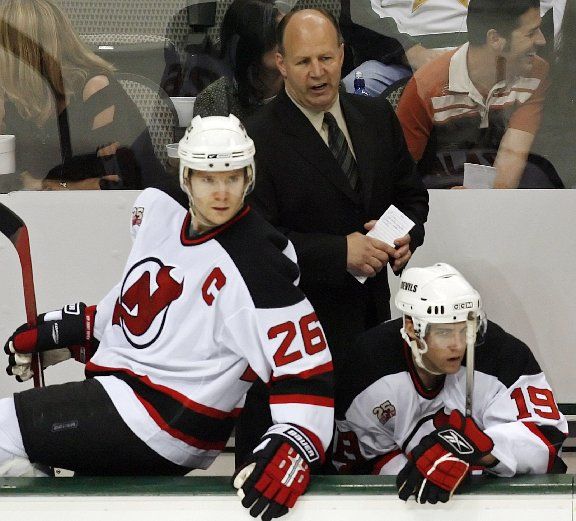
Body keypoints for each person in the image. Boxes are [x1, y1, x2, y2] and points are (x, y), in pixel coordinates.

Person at [1, 114, 334, 520]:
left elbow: (305, 367)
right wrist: (80, 330)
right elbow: (149, 317)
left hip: (163, 421)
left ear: (249, 177)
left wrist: (296, 441)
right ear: (187, 177)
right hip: (125, 396)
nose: (222, 192)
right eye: (208, 178)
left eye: (232, 177)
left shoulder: (259, 264)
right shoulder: (160, 213)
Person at [238, 7, 428, 466]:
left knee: (367, 455)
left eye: (326, 57)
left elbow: (410, 196)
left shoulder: (375, 115)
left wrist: (405, 237)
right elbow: (252, 240)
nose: (318, 72)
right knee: (302, 463)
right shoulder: (255, 137)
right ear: (280, 64)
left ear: (343, 54)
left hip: (371, 322)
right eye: (304, 62)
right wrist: (338, 252)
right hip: (298, 334)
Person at [333, 263, 567, 504]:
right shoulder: (368, 365)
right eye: (444, 332)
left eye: (465, 329)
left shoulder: (503, 356)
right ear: (412, 328)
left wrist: (485, 449)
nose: (458, 344)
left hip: (493, 503)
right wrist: (420, 474)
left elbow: (548, 443)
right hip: (406, 507)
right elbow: (355, 465)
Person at [0, 0, 167, 191]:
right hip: (50, 209)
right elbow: (11, 179)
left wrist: (47, 185)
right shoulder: (21, 100)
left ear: (21, 54)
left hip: (135, 207)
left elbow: (116, 183)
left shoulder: (96, 89)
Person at [396, 0, 550, 189]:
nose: (542, 40)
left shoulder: (536, 71)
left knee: (537, 178)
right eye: (531, 33)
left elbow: (512, 157)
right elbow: (399, 176)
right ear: (495, 39)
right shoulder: (426, 86)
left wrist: (475, 203)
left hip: (497, 191)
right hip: (441, 194)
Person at [192, 0, 284, 122]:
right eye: (277, 36)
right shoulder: (216, 100)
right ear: (251, 46)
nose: (288, 44)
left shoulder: (302, 88)